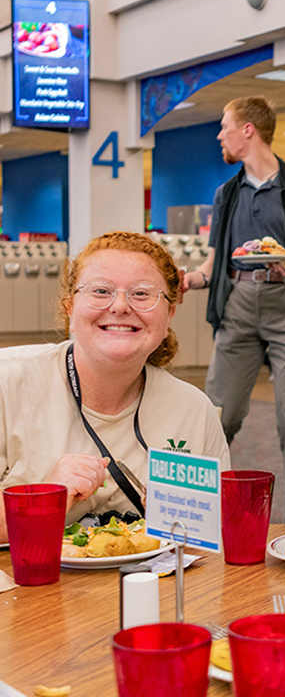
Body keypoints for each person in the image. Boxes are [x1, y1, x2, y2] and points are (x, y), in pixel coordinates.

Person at [0, 231, 230, 543]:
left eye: (141, 294)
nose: (120, 306)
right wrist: (45, 500)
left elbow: (215, 538)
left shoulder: (193, 411)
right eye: (100, 291)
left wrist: (188, 522)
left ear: (170, 313)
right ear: (70, 307)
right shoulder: (8, 382)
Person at [183, 96, 285, 523]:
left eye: (224, 126)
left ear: (248, 130)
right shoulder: (226, 194)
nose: (220, 135)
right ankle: (202, 515)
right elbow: (216, 263)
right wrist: (189, 279)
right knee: (219, 416)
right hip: (238, 304)